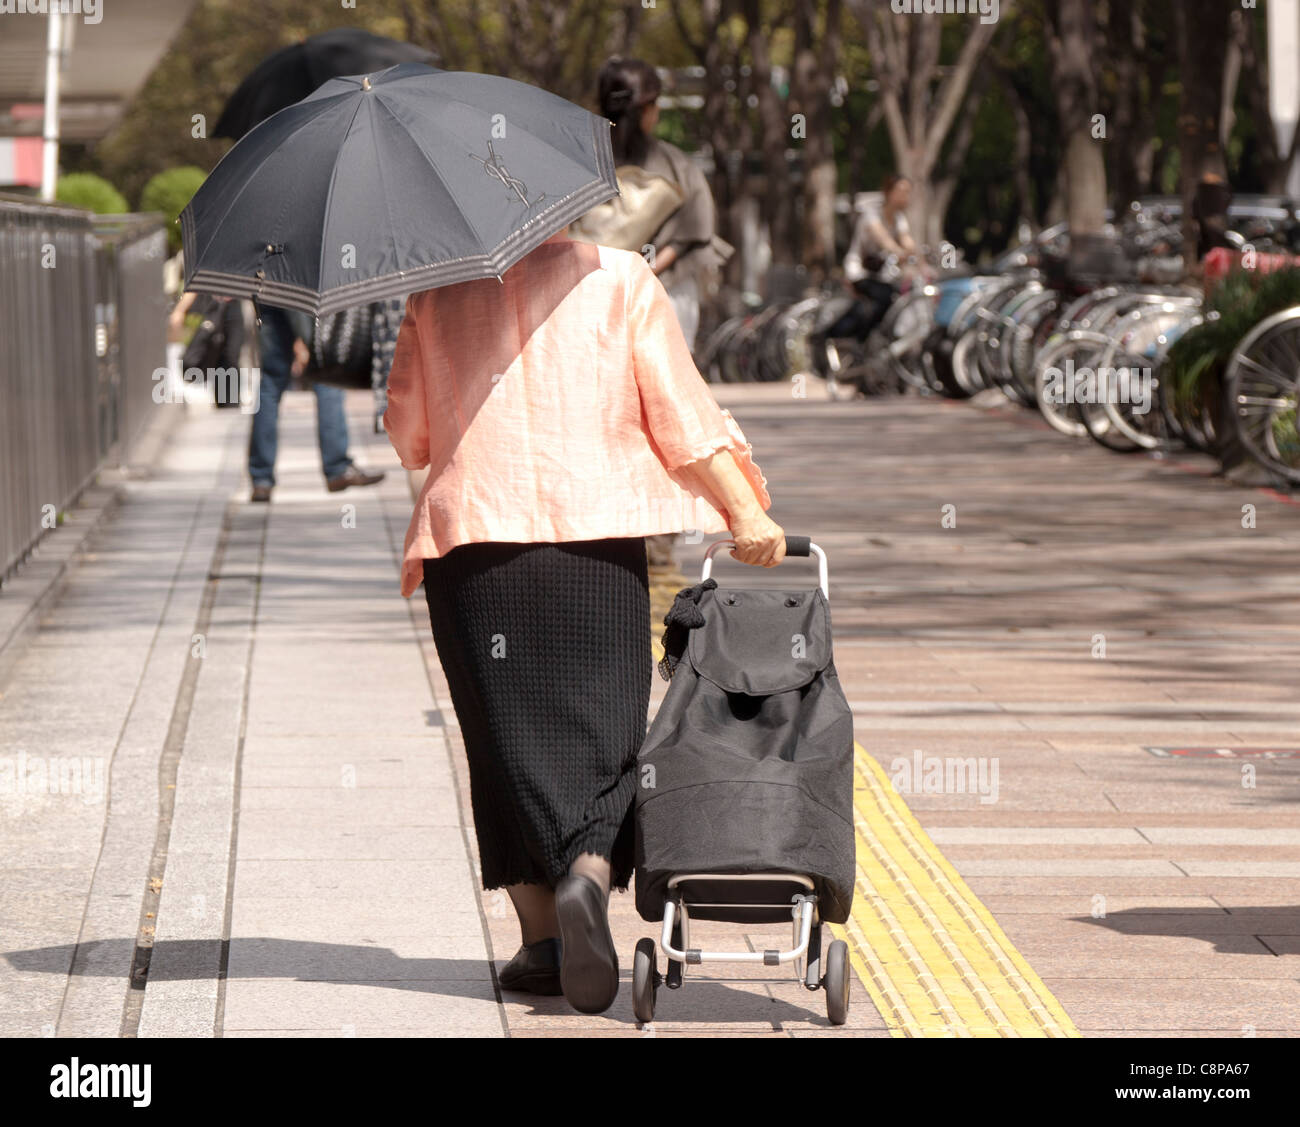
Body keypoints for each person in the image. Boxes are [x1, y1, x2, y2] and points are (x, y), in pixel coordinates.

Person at [382, 229, 784, 1015]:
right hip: (594, 541)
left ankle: (541, 944)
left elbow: (411, 435)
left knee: (503, 743)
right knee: (606, 730)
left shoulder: (435, 289)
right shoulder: (620, 276)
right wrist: (742, 509)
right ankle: (589, 875)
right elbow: (681, 412)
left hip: (475, 543)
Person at [596, 57, 729, 568]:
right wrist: (645, 266)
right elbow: (698, 230)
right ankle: (661, 527)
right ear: (649, 108)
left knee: (605, 407)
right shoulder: (677, 164)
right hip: (665, 293)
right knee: (669, 408)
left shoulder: (579, 159)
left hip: (590, 297)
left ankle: (611, 518)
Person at [247, 304, 385, 502]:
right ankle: (337, 467)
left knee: (270, 381)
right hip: (303, 287)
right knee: (327, 371)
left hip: (267, 285)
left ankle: (261, 479)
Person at [813, 173, 919, 376]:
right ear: (889, 192)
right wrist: (899, 252)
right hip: (859, 273)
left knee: (898, 299)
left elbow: (908, 242)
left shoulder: (899, 219)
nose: (906, 196)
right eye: (902, 191)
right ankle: (854, 340)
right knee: (883, 298)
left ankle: (877, 349)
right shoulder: (871, 215)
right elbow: (883, 239)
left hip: (882, 276)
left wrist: (918, 260)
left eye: (908, 192)